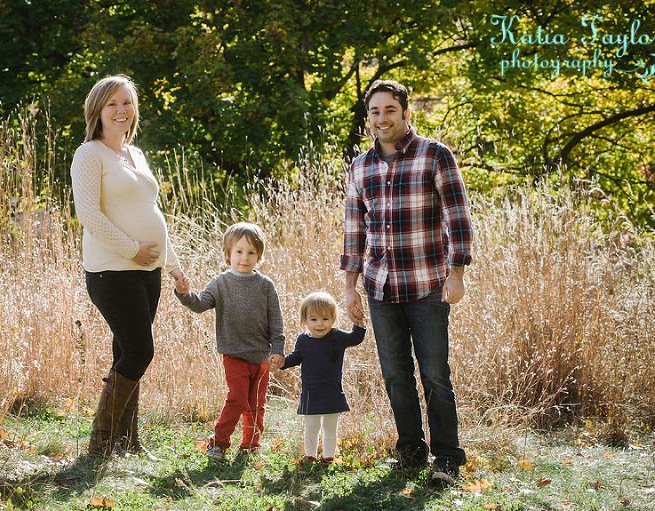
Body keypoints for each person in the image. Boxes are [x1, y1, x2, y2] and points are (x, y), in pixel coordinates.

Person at [340, 79, 473, 484]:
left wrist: (457, 274)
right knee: (396, 374)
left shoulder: (435, 155)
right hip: (380, 288)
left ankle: (447, 457)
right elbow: (353, 228)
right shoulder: (360, 166)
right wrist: (350, 285)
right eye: (375, 112)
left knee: (434, 374)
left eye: (390, 110)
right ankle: (410, 450)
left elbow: (458, 217)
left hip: (428, 285)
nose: (382, 118)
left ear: (406, 113)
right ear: (369, 119)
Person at [71, 74, 189, 458]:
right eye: (113, 104)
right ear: (98, 111)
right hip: (111, 270)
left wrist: (172, 266)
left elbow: (152, 213)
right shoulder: (90, 154)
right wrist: (131, 248)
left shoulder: (134, 154)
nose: (121, 110)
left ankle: (127, 441)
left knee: (126, 350)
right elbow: (88, 213)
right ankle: (101, 443)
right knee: (140, 351)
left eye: (127, 103)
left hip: (147, 271)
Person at [176, 222, 285, 461]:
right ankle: (218, 444)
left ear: (258, 256)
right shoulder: (220, 283)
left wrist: (278, 349)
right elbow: (200, 304)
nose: (244, 258)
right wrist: (185, 294)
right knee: (237, 399)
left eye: (251, 252)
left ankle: (250, 446)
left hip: (262, 358)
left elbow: (276, 322)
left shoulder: (265, 286)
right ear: (228, 254)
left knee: (256, 405)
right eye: (239, 251)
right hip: (234, 354)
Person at [276, 292, 365, 465]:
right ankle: (310, 456)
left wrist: (359, 324)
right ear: (305, 321)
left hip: (331, 390)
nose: (319, 324)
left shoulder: (337, 337)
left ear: (333, 319)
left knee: (330, 427)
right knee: (312, 427)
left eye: (325, 318)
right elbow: (295, 358)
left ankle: (328, 457)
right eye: (314, 319)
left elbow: (355, 338)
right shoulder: (303, 340)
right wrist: (281, 363)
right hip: (311, 392)